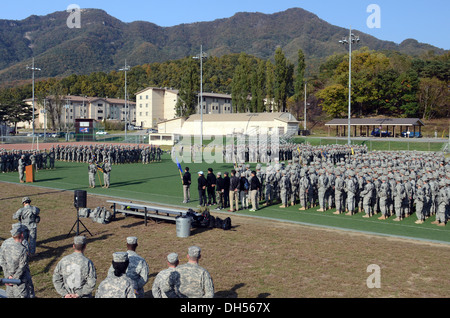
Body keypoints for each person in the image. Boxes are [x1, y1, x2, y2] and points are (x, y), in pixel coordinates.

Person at [0, 224, 34, 298]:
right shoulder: (23, 244)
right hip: (21, 279)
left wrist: (8, 276)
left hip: (8, 279)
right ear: (21, 234)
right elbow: (23, 264)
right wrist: (15, 279)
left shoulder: (5, 243)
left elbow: (2, 261)